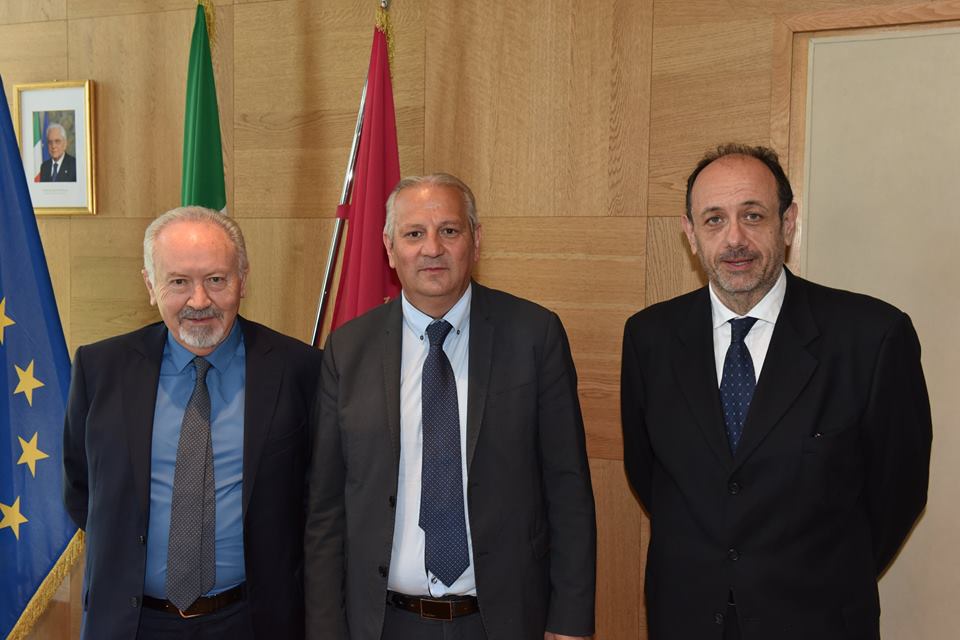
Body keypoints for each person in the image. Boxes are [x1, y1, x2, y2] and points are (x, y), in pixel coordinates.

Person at [621, 143, 932, 640]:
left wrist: (820, 573)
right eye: (714, 220)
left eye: (753, 215)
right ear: (690, 234)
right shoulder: (648, 338)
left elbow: (898, 491)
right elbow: (649, 472)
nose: (735, 239)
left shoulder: (872, 337)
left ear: (787, 224)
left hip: (818, 619)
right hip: (687, 617)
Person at [305, 173, 596, 640]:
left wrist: (570, 621)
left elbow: (568, 488)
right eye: (413, 233)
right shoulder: (348, 349)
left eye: (449, 230)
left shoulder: (533, 336)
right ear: (389, 247)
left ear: (475, 241)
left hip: (502, 621)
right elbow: (326, 509)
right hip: (384, 624)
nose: (432, 248)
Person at [63, 206, 322, 639]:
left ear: (243, 280)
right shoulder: (100, 368)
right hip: (131, 624)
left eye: (216, 280)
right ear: (151, 286)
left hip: (253, 621)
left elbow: (317, 499)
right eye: (179, 282)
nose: (199, 301)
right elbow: (81, 489)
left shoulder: (300, 370)